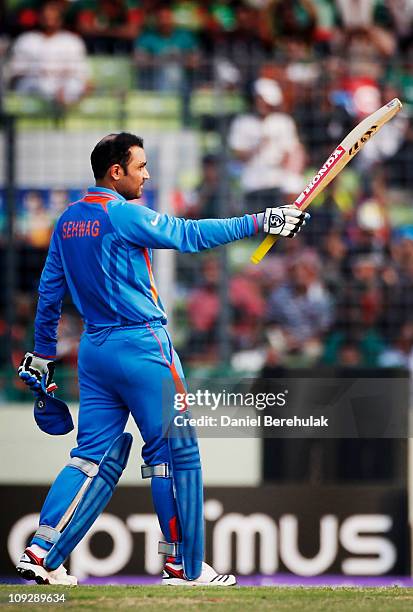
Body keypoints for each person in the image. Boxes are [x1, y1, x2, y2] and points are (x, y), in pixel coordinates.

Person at [16, 132, 309, 586]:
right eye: (140, 166)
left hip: (94, 352)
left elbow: (49, 294)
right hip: (143, 347)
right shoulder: (122, 213)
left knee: (91, 457)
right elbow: (189, 235)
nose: (147, 174)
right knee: (176, 453)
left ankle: (40, 551)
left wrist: (42, 355)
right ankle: (185, 568)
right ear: (116, 172)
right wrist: (262, 220)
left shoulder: (67, 220)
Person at [228, 77, 306, 214]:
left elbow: (294, 152)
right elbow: (238, 155)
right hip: (253, 179)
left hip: (280, 178)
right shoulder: (242, 123)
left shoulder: (284, 122)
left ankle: (292, 230)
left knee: (295, 189)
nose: (265, 106)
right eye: (262, 101)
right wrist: (258, 146)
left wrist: (287, 164)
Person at [8, 0, 89, 106]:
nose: (49, 21)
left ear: (60, 19)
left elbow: (81, 73)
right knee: (42, 84)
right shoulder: (26, 40)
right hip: (34, 83)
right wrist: (39, 72)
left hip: (63, 83)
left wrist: (59, 74)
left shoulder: (72, 40)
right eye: (46, 17)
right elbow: (16, 74)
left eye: (54, 17)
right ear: (40, 17)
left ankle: (61, 106)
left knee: (73, 85)